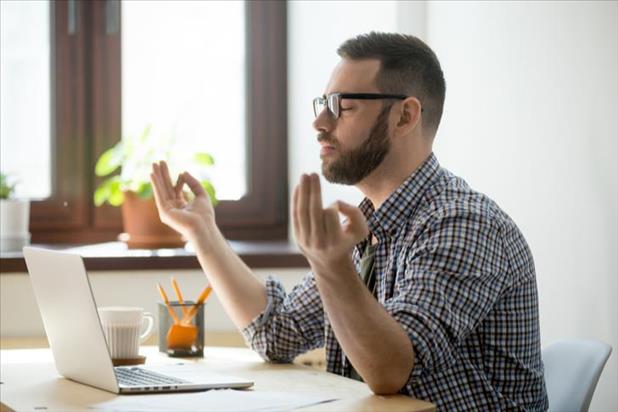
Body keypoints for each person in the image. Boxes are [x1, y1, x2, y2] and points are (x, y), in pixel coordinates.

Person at [150, 32, 548, 411]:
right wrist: (202, 233)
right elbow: (276, 332)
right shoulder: (370, 226)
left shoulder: (463, 224)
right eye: (322, 103)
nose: (320, 122)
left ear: (405, 116)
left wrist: (332, 266)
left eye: (342, 105)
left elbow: (392, 370)